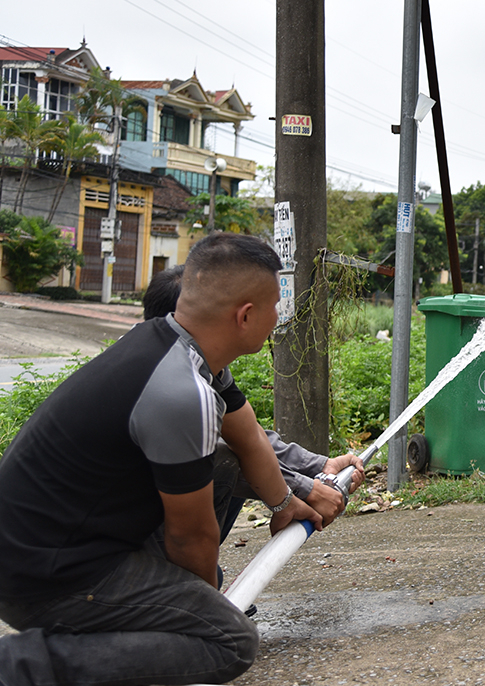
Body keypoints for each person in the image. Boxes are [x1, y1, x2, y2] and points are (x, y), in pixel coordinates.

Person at [0, 233, 321, 685]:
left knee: (225, 463)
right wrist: (199, 613)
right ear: (245, 316)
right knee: (228, 642)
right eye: (275, 307)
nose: (277, 318)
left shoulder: (179, 347)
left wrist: (286, 502)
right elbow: (191, 538)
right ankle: (19, 665)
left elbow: (248, 439)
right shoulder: (180, 393)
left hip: (57, 547)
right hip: (47, 580)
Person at [144, 265, 365, 538]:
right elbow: (221, 453)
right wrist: (301, 492)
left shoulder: (203, 362)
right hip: (110, 539)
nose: (274, 318)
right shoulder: (175, 384)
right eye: (269, 306)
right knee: (229, 464)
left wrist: (318, 467)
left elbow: (250, 437)